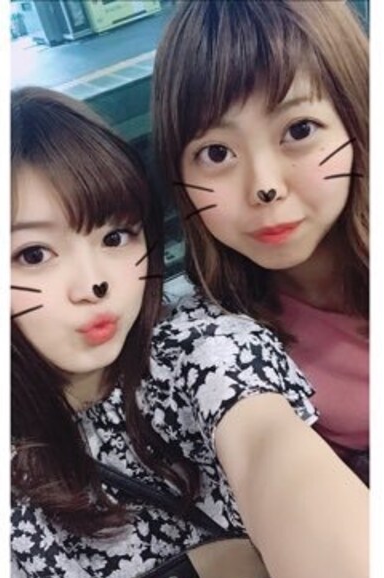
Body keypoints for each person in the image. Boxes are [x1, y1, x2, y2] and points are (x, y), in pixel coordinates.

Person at [11, 87, 368, 578]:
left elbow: (268, 445)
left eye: (115, 236)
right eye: (34, 254)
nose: (94, 283)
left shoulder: (199, 350)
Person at [152, 0, 370, 485]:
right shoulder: (219, 339)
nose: (264, 187)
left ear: (357, 118)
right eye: (216, 153)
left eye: (299, 130)